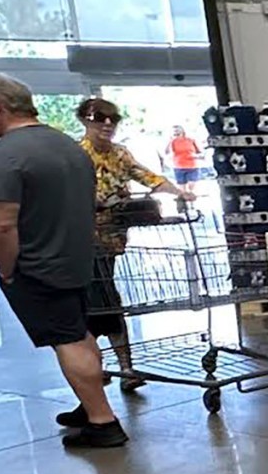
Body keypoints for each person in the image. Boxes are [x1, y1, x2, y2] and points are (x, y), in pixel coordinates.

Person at [0, 72, 128, 450]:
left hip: (39, 266)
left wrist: (7, 269)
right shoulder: (69, 148)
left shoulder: (3, 156)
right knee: (79, 331)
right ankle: (90, 405)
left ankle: (103, 422)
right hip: (79, 260)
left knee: (67, 339)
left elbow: (1, 226)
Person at [75, 97, 195, 387]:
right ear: (84, 120)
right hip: (83, 242)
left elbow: (147, 176)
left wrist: (179, 192)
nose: (107, 124)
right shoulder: (76, 155)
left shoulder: (120, 155)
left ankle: (114, 369)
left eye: (113, 118)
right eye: (99, 117)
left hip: (112, 240)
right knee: (101, 305)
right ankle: (114, 369)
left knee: (104, 304)